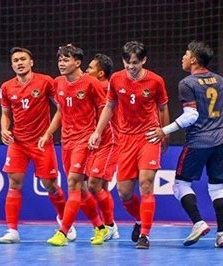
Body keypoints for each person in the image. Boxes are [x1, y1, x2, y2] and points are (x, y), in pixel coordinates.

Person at [146, 41, 223, 248]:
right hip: (222, 141)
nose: (183, 57)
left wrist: (164, 131)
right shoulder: (221, 80)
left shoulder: (187, 83)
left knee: (180, 185)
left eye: (186, 54)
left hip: (198, 141)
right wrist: (220, 126)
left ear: (194, 60)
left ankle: (198, 222)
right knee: (218, 187)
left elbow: (191, 115)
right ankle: (222, 234)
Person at [88, 41, 170, 249]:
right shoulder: (116, 79)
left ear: (144, 60)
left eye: (135, 62)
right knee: (124, 193)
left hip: (148, 137)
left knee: (145, 184)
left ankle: (145, 235)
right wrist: (97, 132)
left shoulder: (155, 81)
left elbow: (162, 108)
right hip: (125, 140)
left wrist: (165, 132)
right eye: (127, 62)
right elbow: (109, 106)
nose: (131, 67)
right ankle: (140, 219)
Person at [0, 47, 75, 243]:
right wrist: (4, 130)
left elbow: (61, 108)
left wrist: (48, 133)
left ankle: (65, 222)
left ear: (31, 62)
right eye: (15, 60)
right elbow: (6, 114)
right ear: (12, 64)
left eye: (23, 59)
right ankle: (12, 231)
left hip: (42, 143)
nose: (19, 63)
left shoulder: (46, 81)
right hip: (18, 143)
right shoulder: (6, 87)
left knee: (50, 185)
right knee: (14, 183)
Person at [39, 44, 109, 246]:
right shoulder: (58, 83)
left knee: (72, 183)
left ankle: (63, 232)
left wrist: (97, 132)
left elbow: (105, 108)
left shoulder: (90, 83)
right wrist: (48, 133)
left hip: (84, 140)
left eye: (66, 59)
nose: (61, 63)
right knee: (82, 189)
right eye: (60, 60)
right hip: (66, 141)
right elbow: (60, 111)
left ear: (77, 63)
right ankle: (100, 228)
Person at [85, 53, 120, 240]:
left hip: (111, 141)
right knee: (102, 187)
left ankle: (109, 225)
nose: (85, 71)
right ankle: (110, 226)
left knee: (93, 185)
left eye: (89, 68)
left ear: (100, 73)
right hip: (97, 143)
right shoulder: (93, 88)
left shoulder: (106, 88)